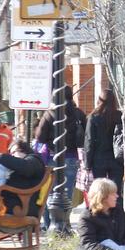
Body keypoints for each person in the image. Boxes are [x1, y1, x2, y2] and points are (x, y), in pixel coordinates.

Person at [34, 86, 87, 228]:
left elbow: (39, 136)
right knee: (66, 192)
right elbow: (86, 135)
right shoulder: (78, 114)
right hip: (71, 157)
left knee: (49, 191)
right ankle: (63, 223)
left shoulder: (50, 114)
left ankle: (50, 223)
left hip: (52, 157)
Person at [84, 88, 124, 193]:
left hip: (98, 159)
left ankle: (102, 208)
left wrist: (87, 164)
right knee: (116, 192)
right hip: (116, 158)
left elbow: (89, 141)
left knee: (100, 190)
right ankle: (115, 209)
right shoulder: (119, 116)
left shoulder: (93, 117)